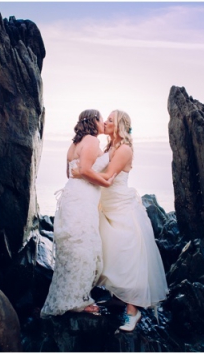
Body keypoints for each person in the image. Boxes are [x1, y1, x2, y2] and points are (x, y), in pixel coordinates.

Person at [72, 109, 168, 332]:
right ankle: (118, 297)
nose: (105, 122)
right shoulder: (108, 147)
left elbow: (107, 177)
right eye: (105, 119)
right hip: (106, 207)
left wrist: (80, 172)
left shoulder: (124, 149)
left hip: (122, 207)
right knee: (109, 252)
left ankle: (133, 310)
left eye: (110, 120)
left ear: (120, 125)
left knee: (127, 253)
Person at [40, 109, 115, 318]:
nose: (103, 123)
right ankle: (78, 299)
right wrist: (106, 181)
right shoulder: (91, 140)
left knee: (73, 247)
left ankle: (69, 296)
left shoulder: (74, 145)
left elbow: (70, 172)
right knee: (83, 247)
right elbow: (84, 170)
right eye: (101, 119)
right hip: (82, 199)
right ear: (94, 121)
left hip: (72, 197)